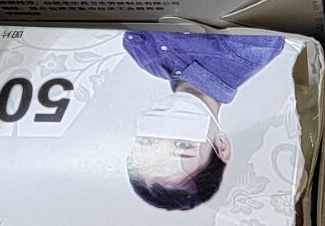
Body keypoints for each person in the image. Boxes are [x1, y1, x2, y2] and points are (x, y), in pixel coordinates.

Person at [124, 31, 289, 212]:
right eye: (182, 145)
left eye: (147, 141)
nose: (165, 128)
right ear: (221, 146)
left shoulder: (142, 55)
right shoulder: (251, 48)